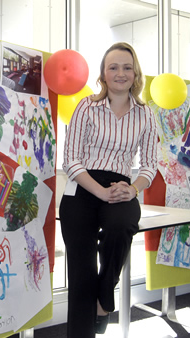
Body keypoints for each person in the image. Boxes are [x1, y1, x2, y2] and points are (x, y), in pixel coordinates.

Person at [59, 42, 158, 337]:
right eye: (113, 67)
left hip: (121, 188)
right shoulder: (86, 106)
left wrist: (134, 189)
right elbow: (71, 160)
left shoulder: (145, 114)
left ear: (135, 73)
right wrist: (99, 192)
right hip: (83, 187)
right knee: (81, 273)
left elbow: (150, 164)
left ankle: (105, 298)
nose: (120, 73)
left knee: (122, 226)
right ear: (103, 74)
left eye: (127, 67)